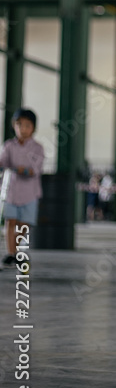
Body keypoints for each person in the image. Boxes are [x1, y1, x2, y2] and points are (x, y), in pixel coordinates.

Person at [0, 108, 45, 268]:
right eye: (19, 125)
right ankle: (11, 254)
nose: (23, 129)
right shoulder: (8, 146)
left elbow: (36, 169)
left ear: (33, 128)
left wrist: (22, 169)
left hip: (30, 193)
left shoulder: (37, 148)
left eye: (27, 125)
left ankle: (16, 249)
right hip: (11, 191)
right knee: (10, 222)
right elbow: (3, 162)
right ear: (14, 126)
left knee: (24, 224)